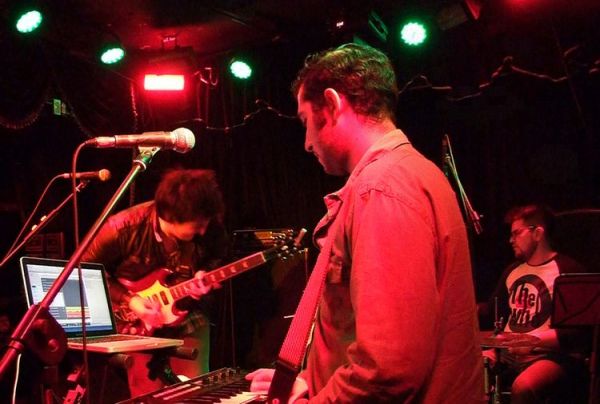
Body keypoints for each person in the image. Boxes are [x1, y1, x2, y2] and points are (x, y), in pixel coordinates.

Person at [247, 43, 484, 402]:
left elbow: (386, 368)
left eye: (305, 122)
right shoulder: (412, 173)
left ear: (332, 104)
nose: (307, 143)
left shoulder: (381, 189)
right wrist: (311, 380)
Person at [82, 168, 228, 398]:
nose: (203, 230)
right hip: (135, 321)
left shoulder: (209, 225)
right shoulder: (121, 227)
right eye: (197, 225)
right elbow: (83, 270)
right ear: (170, 218)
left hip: (188, 314)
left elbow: (220, 254)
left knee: (195, 392)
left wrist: (205, 272)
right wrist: (129, 300)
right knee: (147, 396)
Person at [479, 204, 590, 403]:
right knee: (468, 374)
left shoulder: (567, 271)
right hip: (508, 353)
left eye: (516, 233)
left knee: (524, 386)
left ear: (537, 233)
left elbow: (576, 333)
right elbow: (493, 312)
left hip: (549, 355)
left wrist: (530, 341)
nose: (511, 240)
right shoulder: (512, 271)